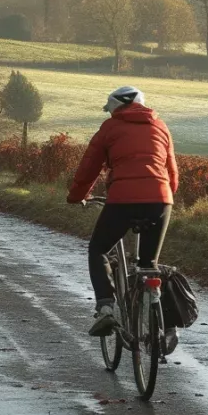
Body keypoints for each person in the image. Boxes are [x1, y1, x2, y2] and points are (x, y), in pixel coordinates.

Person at [66, 86, 179, 347]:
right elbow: (172, 172)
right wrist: (164, 196)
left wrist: (76, 196)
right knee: (149, 264)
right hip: (160, 200)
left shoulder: (110, 128)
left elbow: (89, 167)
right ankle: (159, 312)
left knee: (99, 249)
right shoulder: (161, 126)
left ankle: (106, 307)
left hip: (122, 201)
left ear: (115, 108)